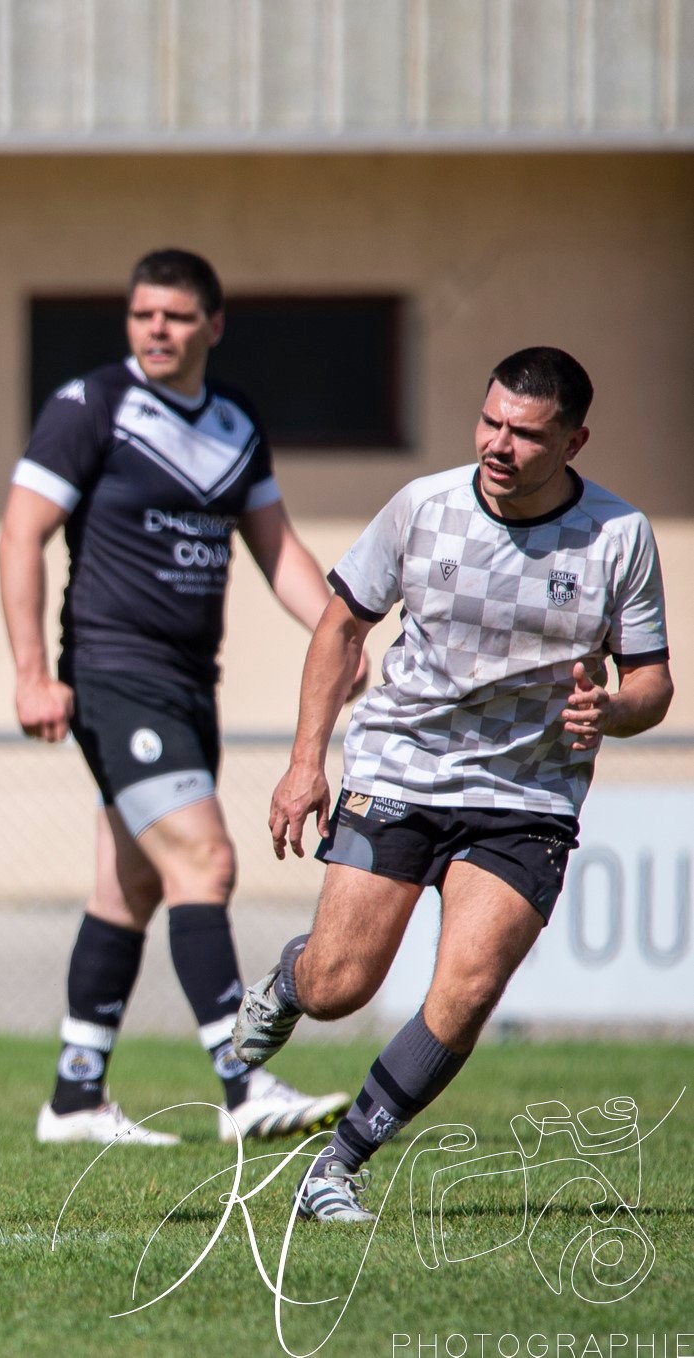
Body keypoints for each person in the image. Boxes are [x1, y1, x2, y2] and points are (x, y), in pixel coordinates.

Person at [236, 346, 671, 1222]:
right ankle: (290, 981)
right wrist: (301, 762)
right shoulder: (421, 508)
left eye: (524, 433)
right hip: (401, 765)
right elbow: (338, 629)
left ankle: (338, 1164)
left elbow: (653, 683)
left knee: (466, 991)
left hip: (529, 796)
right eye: (489, 423)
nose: (498, 445)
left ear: (573, 442)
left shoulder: (618, 537)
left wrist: (613, 712)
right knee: (337, 988)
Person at [0, 249, 355, 1146]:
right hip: (114, 677)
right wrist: (30, 671)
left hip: (192, 687)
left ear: (212, 326)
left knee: (129, 888)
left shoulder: (236, 423)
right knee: (206, 861)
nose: (156, 329)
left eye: (175, 316)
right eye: (142, 314)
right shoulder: (92, 407)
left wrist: (341, 637)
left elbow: (279, 553)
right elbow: (19, 534)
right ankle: (244, 1081)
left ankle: (75, 1099)